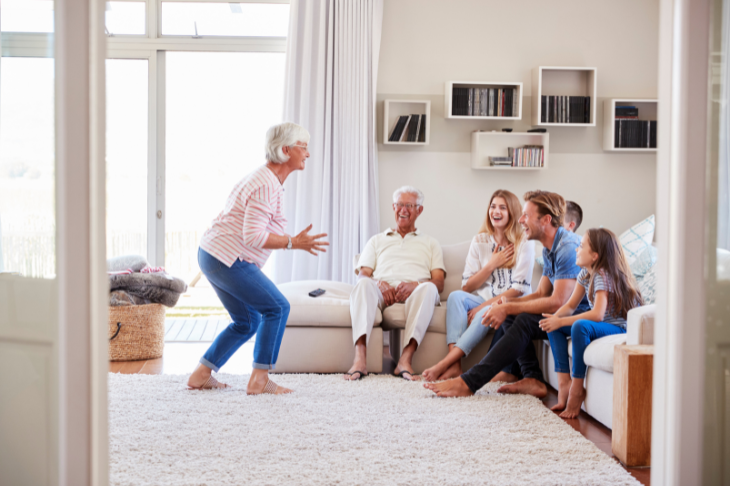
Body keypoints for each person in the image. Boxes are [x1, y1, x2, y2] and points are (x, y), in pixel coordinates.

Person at [186, 122, 328, 394]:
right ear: (287, 150)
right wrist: (292, 242)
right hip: (226, 258)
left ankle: (201, 374)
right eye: (304, 147)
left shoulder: (266, 179)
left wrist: (291, 241)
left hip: (213, 254)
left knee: (247, 321)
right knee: (277, 307)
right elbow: (253, 236)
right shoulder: (266, 184)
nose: (307, 154)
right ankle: (259, 380)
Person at [424, 190, 590, 398]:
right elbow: (541, 293)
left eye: (526, 216)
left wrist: (508, 306)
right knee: (512, 314)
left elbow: (556, 303)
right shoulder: (550, 248)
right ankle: (532, 378)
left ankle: (469, 382)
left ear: (546, 220)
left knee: (517, 317)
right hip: (563, 314)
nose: (520, 220)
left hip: (580, 317)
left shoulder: (566, 247)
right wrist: (505, 304)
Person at [421, 190, 534, 382]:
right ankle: (455, 365)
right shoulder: (480, 240)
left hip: (510, 301)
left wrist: (483, 306)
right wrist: (491, 264)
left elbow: (518, 289)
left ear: (512, 212)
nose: (495, 211)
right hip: (485, 297)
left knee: (486, 311)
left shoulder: (524, 242)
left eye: (502, 207)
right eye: (493, 206)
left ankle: (444, 363)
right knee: (456, 296)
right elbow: (467, 286)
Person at [345, 186, 446, 381]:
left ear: (419, 210)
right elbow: (363, 275)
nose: (403, 210)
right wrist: (379, 283)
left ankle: (405, 360)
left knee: (429, 288)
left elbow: (439, 282)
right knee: (363, 285)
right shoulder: (376, 240)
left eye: (409, 205)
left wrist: (416, 285)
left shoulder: (431, 243)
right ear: (393, 207)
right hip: (382, 292)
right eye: (399, 205)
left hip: (415, 293)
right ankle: (360, 359)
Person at [539, 228, 642, 418]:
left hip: (617, 327)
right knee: (553, 323)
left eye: (581, 246)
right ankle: (564, 383)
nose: (577, 250)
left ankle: (577, 388)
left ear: (595, 255)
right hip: (604, 325)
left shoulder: (602, 275)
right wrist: (555, 319)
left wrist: (561, 321)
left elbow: (597, 315)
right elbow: (570, 305)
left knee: (579, 326)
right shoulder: (585, 275)